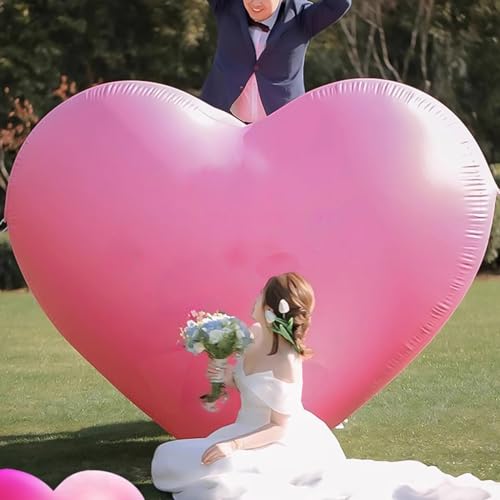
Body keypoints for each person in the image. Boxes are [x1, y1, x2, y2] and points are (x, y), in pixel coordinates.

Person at [151, 272, 500, 499]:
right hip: (243, 429)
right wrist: (220, 375)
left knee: (223, 480)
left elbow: (277, 427)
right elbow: (238, 380)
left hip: (281, 441)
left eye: (261, 294)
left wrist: (234, 446)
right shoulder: (251, 335)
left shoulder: (287, 360)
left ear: (271, 309)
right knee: (168, 457)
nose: (253, 297)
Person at [201, 0, 352, 124]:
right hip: (221, 119)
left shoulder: (303, 16)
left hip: (280, 125)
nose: (255, 2)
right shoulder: (226, 5)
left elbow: (341, 3)